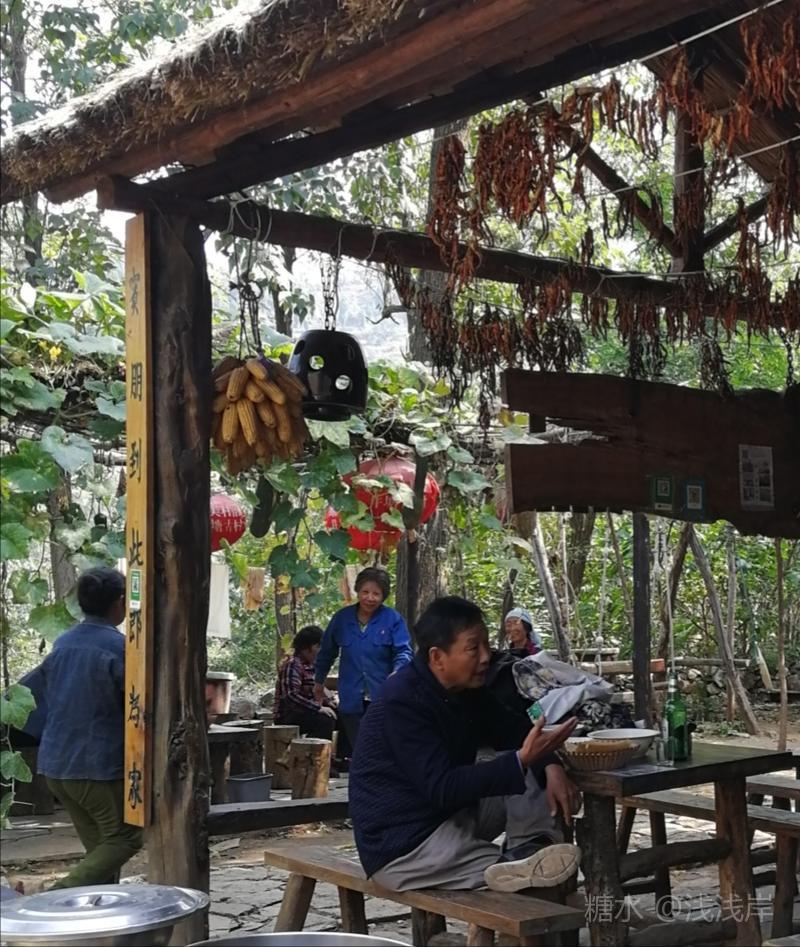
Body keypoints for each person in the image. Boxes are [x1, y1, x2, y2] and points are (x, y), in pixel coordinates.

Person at [349, 596, 582, 892]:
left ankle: (532, 847)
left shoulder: (466, 688)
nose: (486, 657)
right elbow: (442, 786)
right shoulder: (402, 701)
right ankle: (511, 866)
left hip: (453, 813)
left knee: (530, 770)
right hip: (405, 842)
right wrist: (522, 759)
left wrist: (550, 765)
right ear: (437, 657)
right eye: (473, 648)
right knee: (510, 874)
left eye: (486, 644)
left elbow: (516, 731)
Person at [36, 567, 142, 889]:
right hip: (94, 768)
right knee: (125, 838)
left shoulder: (62, 643)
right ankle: (52, 898)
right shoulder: (120, 648)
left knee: (100, 854)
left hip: (55, 766)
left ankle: (97, 913)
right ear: (120, 601)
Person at [314, 567, 412, 754]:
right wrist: (318, 682)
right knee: (360, 749)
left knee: (383, 748)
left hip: (383, 697)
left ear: (383, 596)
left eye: (376, 594)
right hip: (351, 698)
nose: (370, 598)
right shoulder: (341, 619)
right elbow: (326, 653)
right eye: (365, 592)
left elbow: (403, 652)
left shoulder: (393, 619)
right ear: (357, 591)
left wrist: (397, 673)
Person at [275, 626, 338, 740]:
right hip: (289, 716)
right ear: (307, 648)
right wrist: (317, 708)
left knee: (343, 715)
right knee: (325, 719)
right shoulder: (293, 664)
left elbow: (315, 691)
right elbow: (291, 697)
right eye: (318, 647)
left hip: (306, 712)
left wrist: (330, 703)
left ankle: (346, 751)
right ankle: (312, 749)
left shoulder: (312, 666)